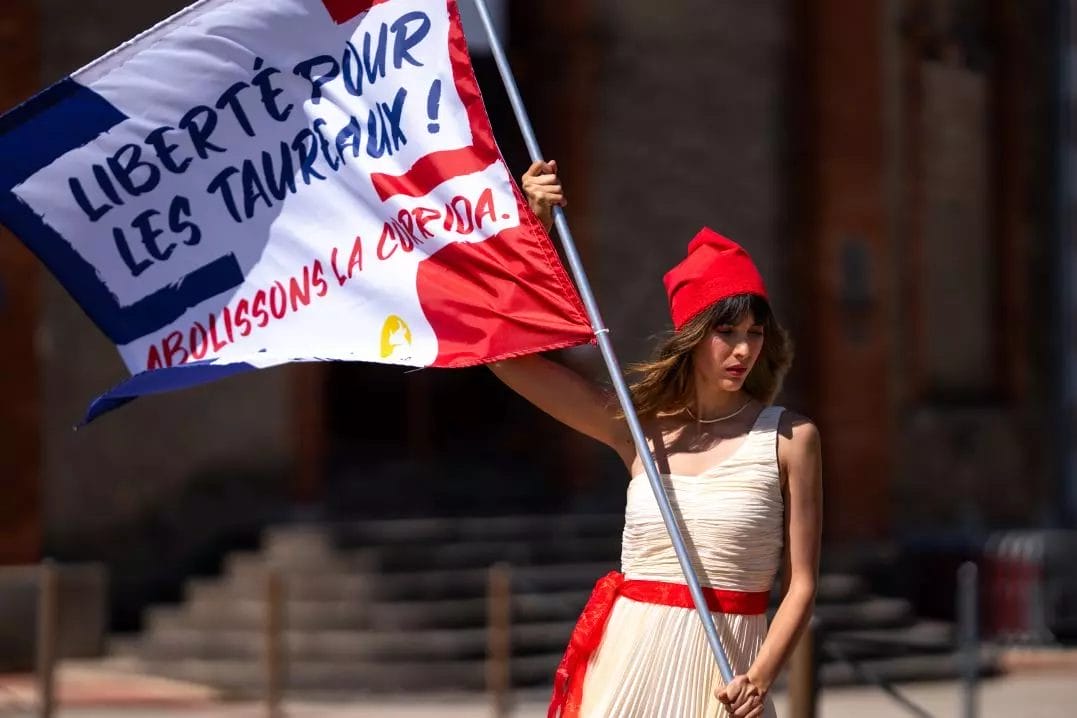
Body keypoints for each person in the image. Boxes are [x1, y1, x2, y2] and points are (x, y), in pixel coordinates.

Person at [487, 161, 823, 718]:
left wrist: (760, 678)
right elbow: (506, 359)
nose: (743, 350)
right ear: (692, 337)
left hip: (730, 685)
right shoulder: (638, 432)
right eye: (726, 332)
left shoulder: (792, 438)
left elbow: (803, 586)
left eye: (754, 334)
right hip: (625, 674)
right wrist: (534, 231)